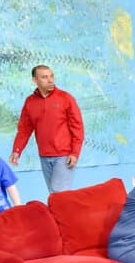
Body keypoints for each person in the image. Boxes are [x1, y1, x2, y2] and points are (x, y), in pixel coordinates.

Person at [9, 65, 84, 193]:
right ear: (35, 80)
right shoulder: (30, 102)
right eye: (44, 77)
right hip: (44, 155)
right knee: (54, 195)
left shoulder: (66, 98)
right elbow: (24, 129)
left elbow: (78, 127)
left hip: (64, 155)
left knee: (58, 193)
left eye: (51, 76)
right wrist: (17, 150)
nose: (50, 80)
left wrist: (74, 153)